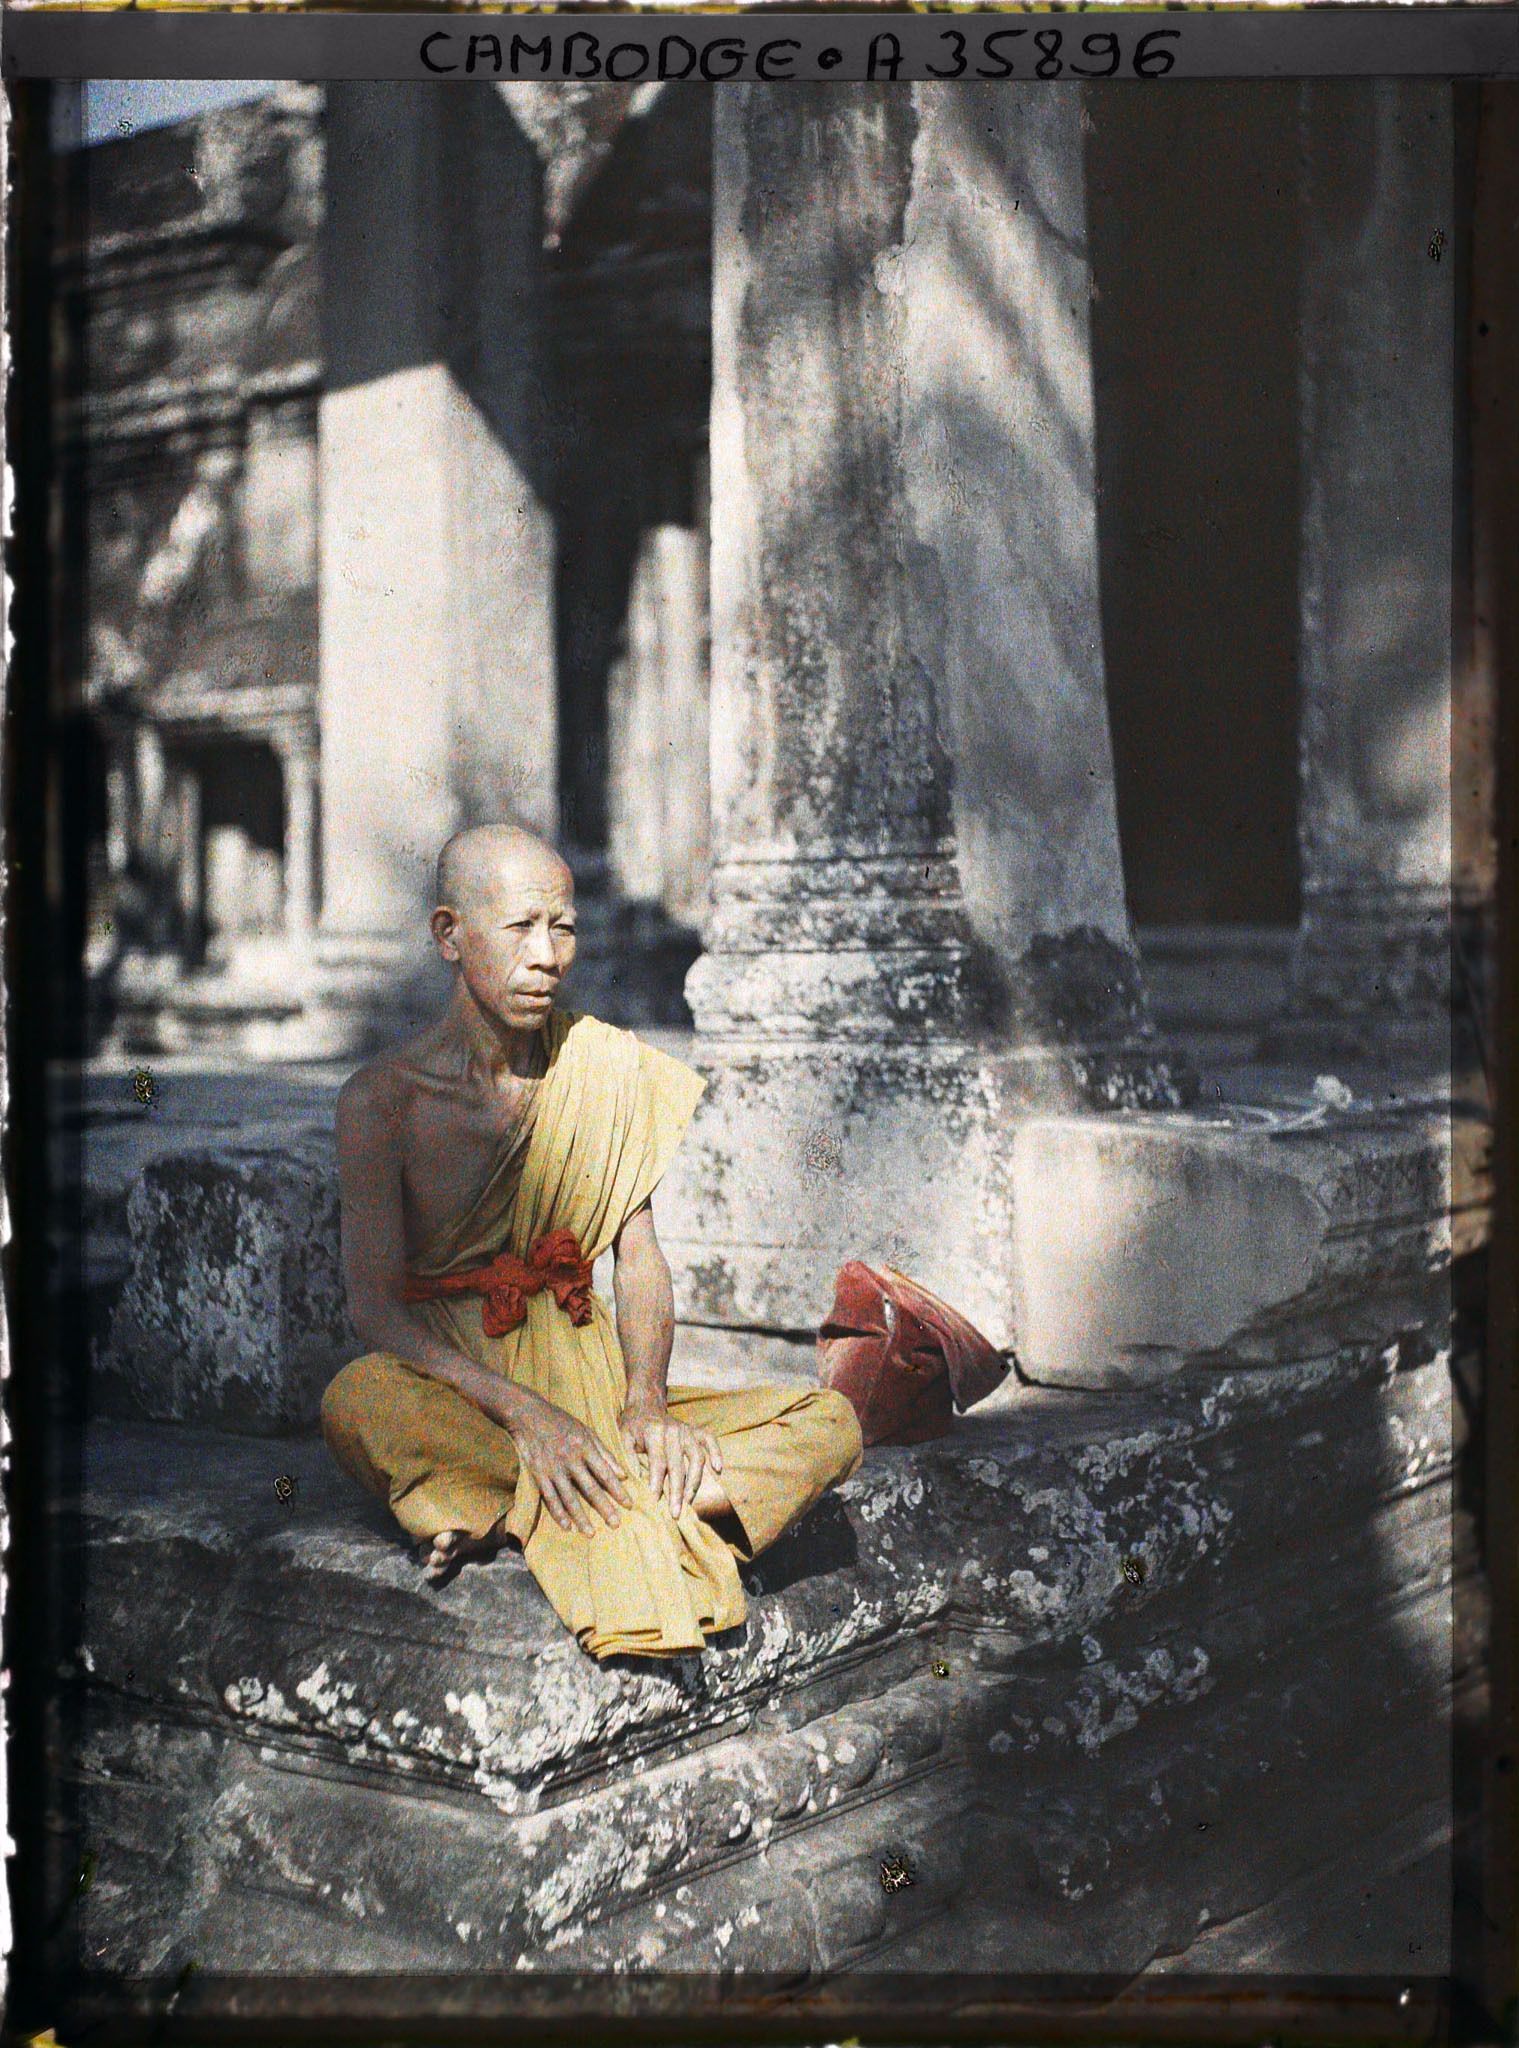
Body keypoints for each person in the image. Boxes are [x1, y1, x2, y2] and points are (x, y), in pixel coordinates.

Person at [319, 823, 864, 1660]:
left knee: (827, 1421)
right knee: (357, 1398)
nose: (547, 956)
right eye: (519, 928)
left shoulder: (601, 1064)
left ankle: (518, 1506)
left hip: (597, 1386)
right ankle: (608, 1495)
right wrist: (527, 1415)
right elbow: (376, 1310)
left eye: (563, 927)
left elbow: (637, 1255)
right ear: (449, 935)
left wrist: (646, 1402)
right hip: (468, 1389)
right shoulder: (381, 1101)